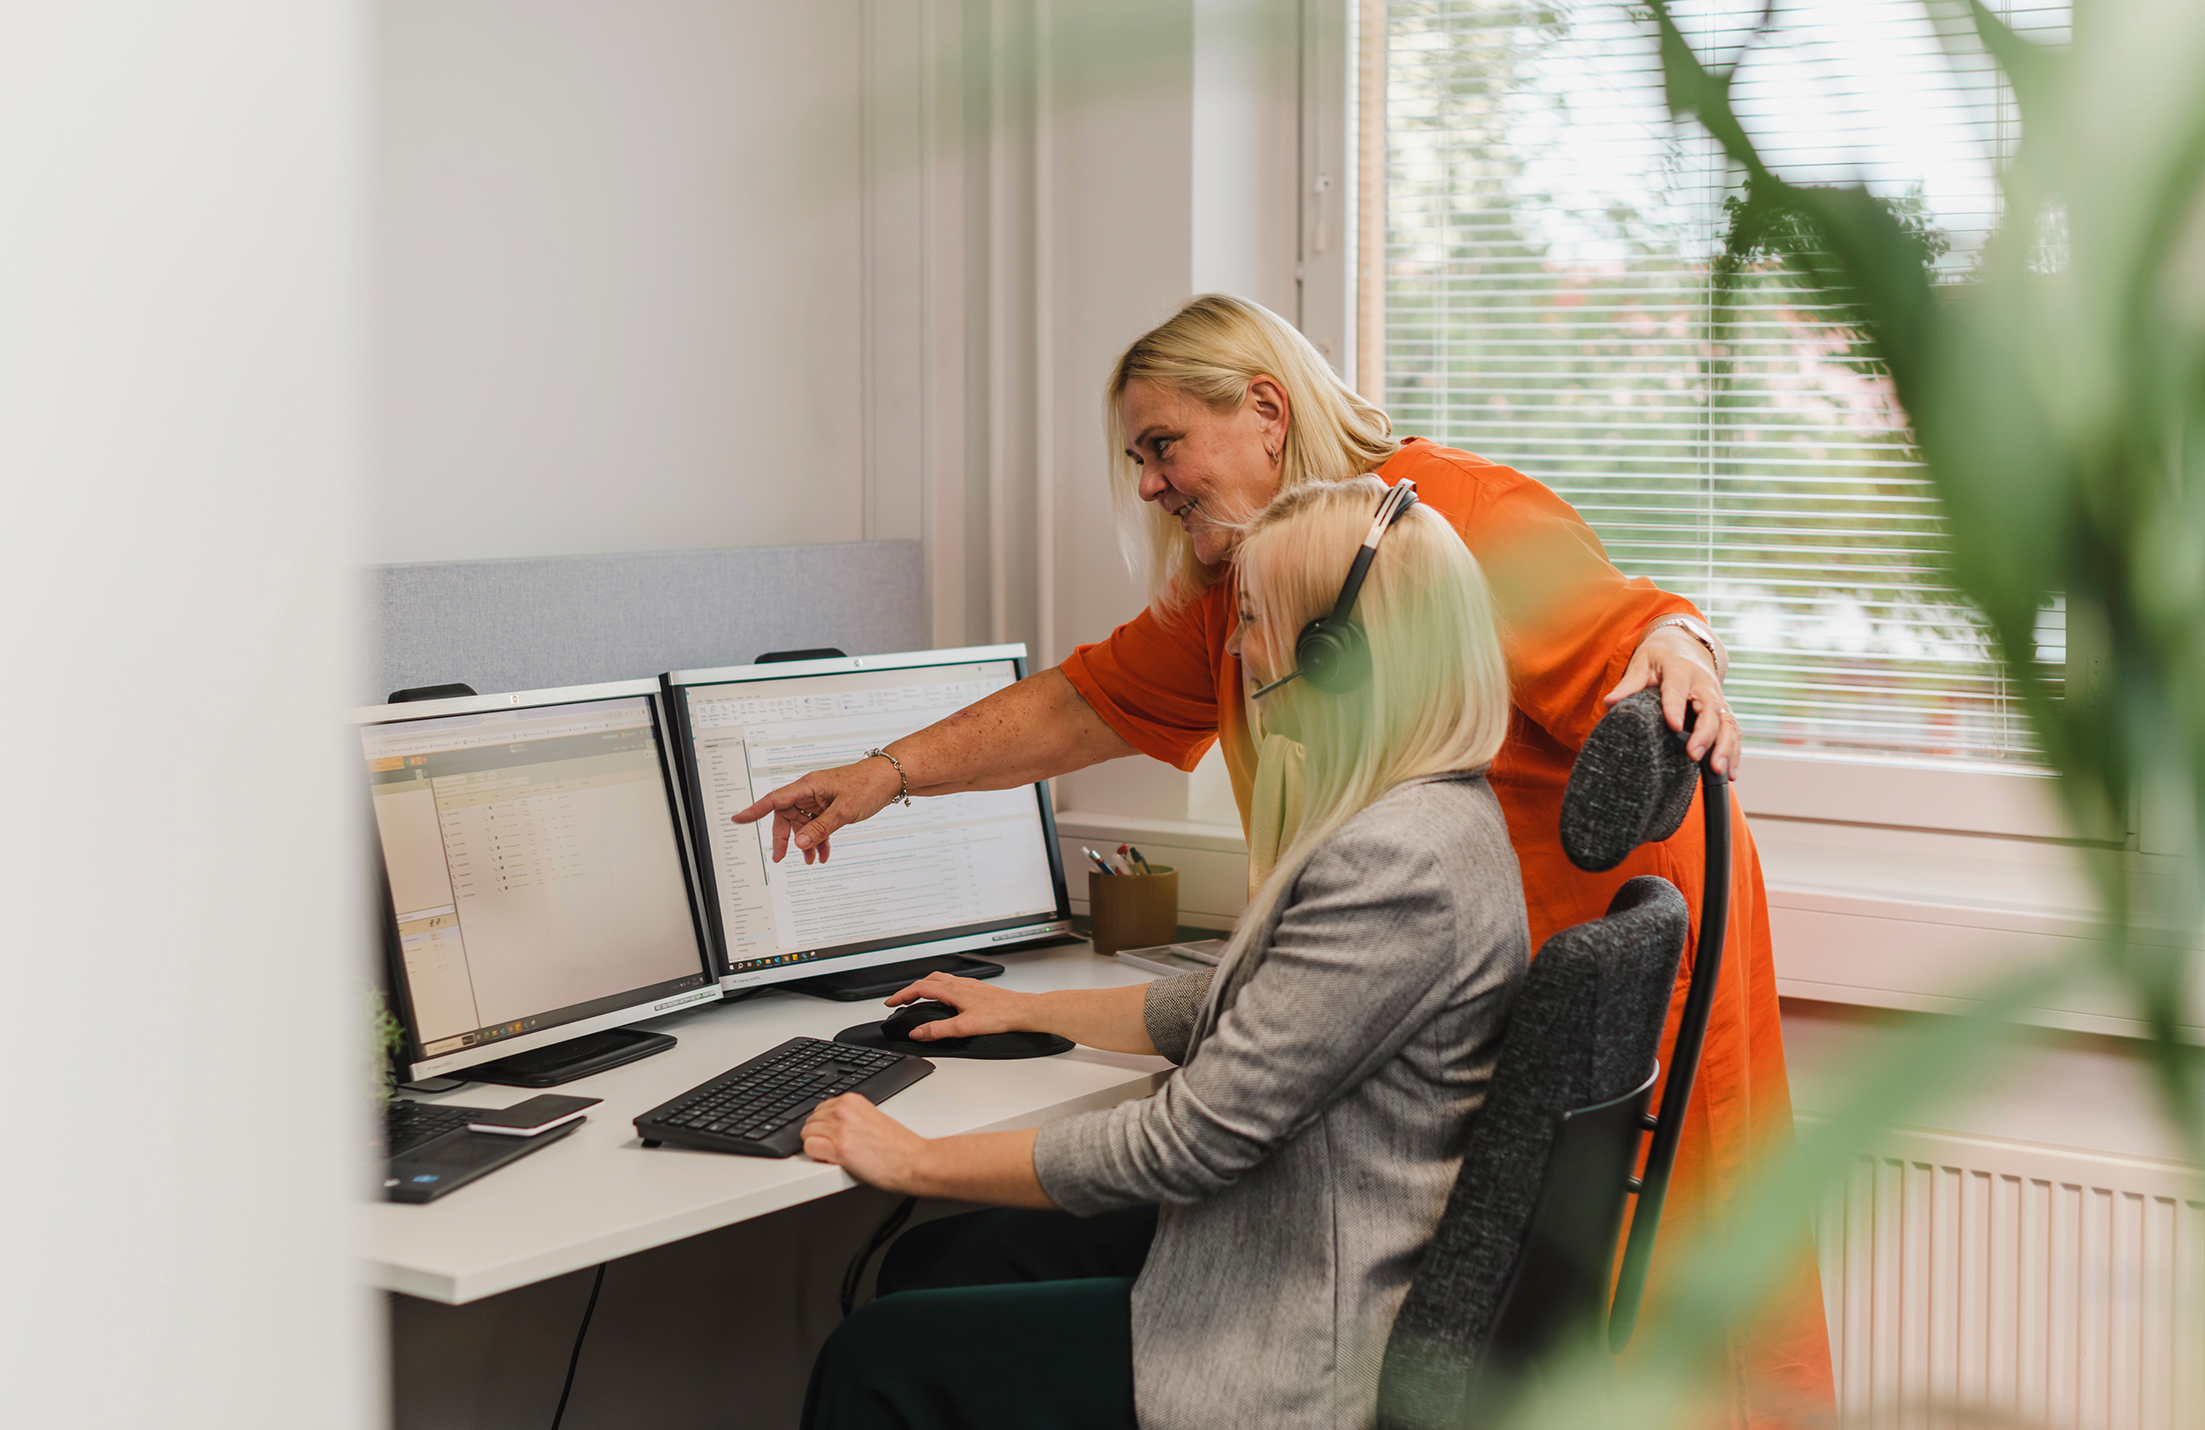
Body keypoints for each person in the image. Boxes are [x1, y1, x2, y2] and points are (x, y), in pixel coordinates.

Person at [746, 295, 1834, 1424]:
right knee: (966, 1269)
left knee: (1677, 1321)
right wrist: (889, 771)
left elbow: (1627, 629)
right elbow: (1086, 701)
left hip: (1538, 978)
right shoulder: (1278, 580)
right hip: (1446, 1010)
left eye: (1162, 444)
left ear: (1266, 410)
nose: (1149, 484)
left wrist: (1677, 639)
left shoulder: (1433, 529)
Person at [797, 477, 1528, 1428]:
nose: (1233, 647)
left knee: (876, 1359)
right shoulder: (1434, 814)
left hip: (1303, 1328)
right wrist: (1029, 1009)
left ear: (1335, 657)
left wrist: (918, 1159)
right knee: (940, 1261)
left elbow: (1188, 1143)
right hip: (1296, 1236)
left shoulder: (1396, 862)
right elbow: (1243, 1003)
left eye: (1254, 620)